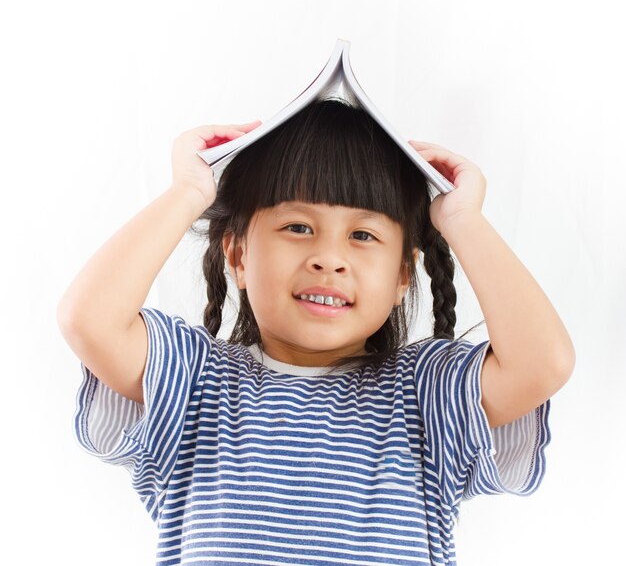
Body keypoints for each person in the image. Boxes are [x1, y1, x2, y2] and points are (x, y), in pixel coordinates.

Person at [58, 98, 575, 565]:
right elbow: (91, 321)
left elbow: (543, 364)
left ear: (402, 276)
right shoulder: (195, 382)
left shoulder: (423, 395)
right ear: (237, 255)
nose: (328, 258)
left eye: (363, 235)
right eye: (298, 227)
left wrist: (463, 219)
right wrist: (189, 191)